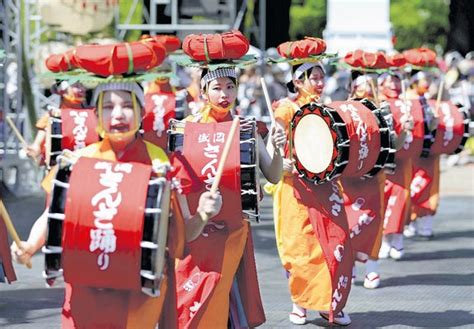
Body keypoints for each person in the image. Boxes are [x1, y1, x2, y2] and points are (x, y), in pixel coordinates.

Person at [11, 39, 222, 329]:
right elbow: (52, 215)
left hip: (138, 295)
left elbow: (183, 233)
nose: (119, 114)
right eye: (108, 106)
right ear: (97, 115)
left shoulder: (159, 162)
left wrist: (204, 214)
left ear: (141, 112)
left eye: (127, 105)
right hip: (86, 291)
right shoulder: (79, 160)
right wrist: (30, 245)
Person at [174, 30, 285, 328]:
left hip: (234, 231)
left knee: (223, 295)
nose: (225, 95)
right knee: (192, 297)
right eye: (217, 88)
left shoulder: (245, 127)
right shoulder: (185, 129)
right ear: (203, 90)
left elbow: (273, 174)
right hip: (197, 231)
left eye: (230, 87)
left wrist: (277, 147)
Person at [268, 37, 353, 326]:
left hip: (325, 186)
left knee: (335, 243)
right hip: (294, 189)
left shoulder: (328, 110)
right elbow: (273, 147)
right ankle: (300, 303)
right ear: (297, 79)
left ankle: (331, 302)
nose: (319, 82)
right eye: (312, 77)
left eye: (321, 76)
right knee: (300, 248)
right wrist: (282, 159)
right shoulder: (286, 110)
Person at [378, 68, 416, 261]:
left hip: (403, 161)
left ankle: (398, 237)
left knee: (401, 198)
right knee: (382, 201)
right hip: (383, 162)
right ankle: (384, 240)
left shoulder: (408, 102)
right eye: (389, 81)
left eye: (396, 80)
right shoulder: (377, 103)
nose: (393, 84)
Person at [25, 81, 88, 162]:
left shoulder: (94, 113)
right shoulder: (53, 115)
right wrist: (35, 147)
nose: (81, 89)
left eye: (82, 86)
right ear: (63, 91)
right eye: (76, 86)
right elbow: (38, 142)